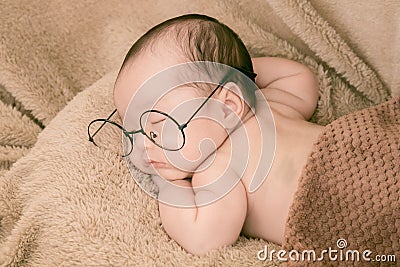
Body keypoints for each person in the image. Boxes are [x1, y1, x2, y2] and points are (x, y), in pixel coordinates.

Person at [112, 14, 324, 255]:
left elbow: (204, 239)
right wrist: (226, 76)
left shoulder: (218, 168)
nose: (141, 144)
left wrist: (168, 186)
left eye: (159, 124)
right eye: (131, 130)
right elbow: (299, 76)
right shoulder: (272, 105)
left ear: (228, 107)